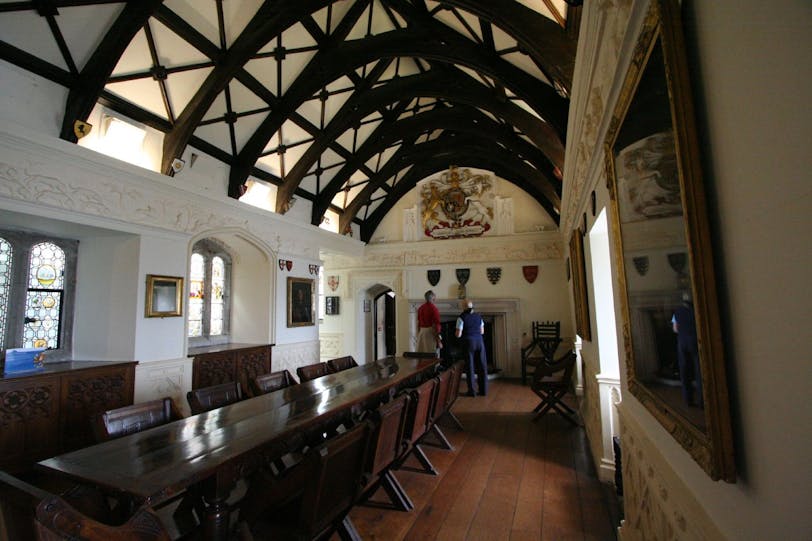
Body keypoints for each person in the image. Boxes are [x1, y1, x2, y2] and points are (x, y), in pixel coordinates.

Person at [672, 292, 703, 407]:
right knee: (699, 371)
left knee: (684, 372)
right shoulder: (696, 310)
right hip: (695, 340)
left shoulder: (677, 311)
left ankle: (688, 399)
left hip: (682, 342)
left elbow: (675, 329)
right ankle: (701, 400)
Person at [456, 300, 487, 397]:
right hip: (479, 342)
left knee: (470, 367)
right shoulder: (478, 316)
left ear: (463, 307)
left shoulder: (461, 317)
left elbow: (458, 334)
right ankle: (483, 390)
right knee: (482, 366)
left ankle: (472, 391)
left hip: (468, 343)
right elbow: (482, 331)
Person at [416, 290, 442, 354]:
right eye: (434, 296)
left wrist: (418, 334)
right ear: (433, 298)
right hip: (430, 333)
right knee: (431, 355)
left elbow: (418, 323)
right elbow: (436, 325)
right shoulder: (434, 309)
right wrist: (438, 341)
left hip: (421, 333)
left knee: (421, 354)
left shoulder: (420, 308)